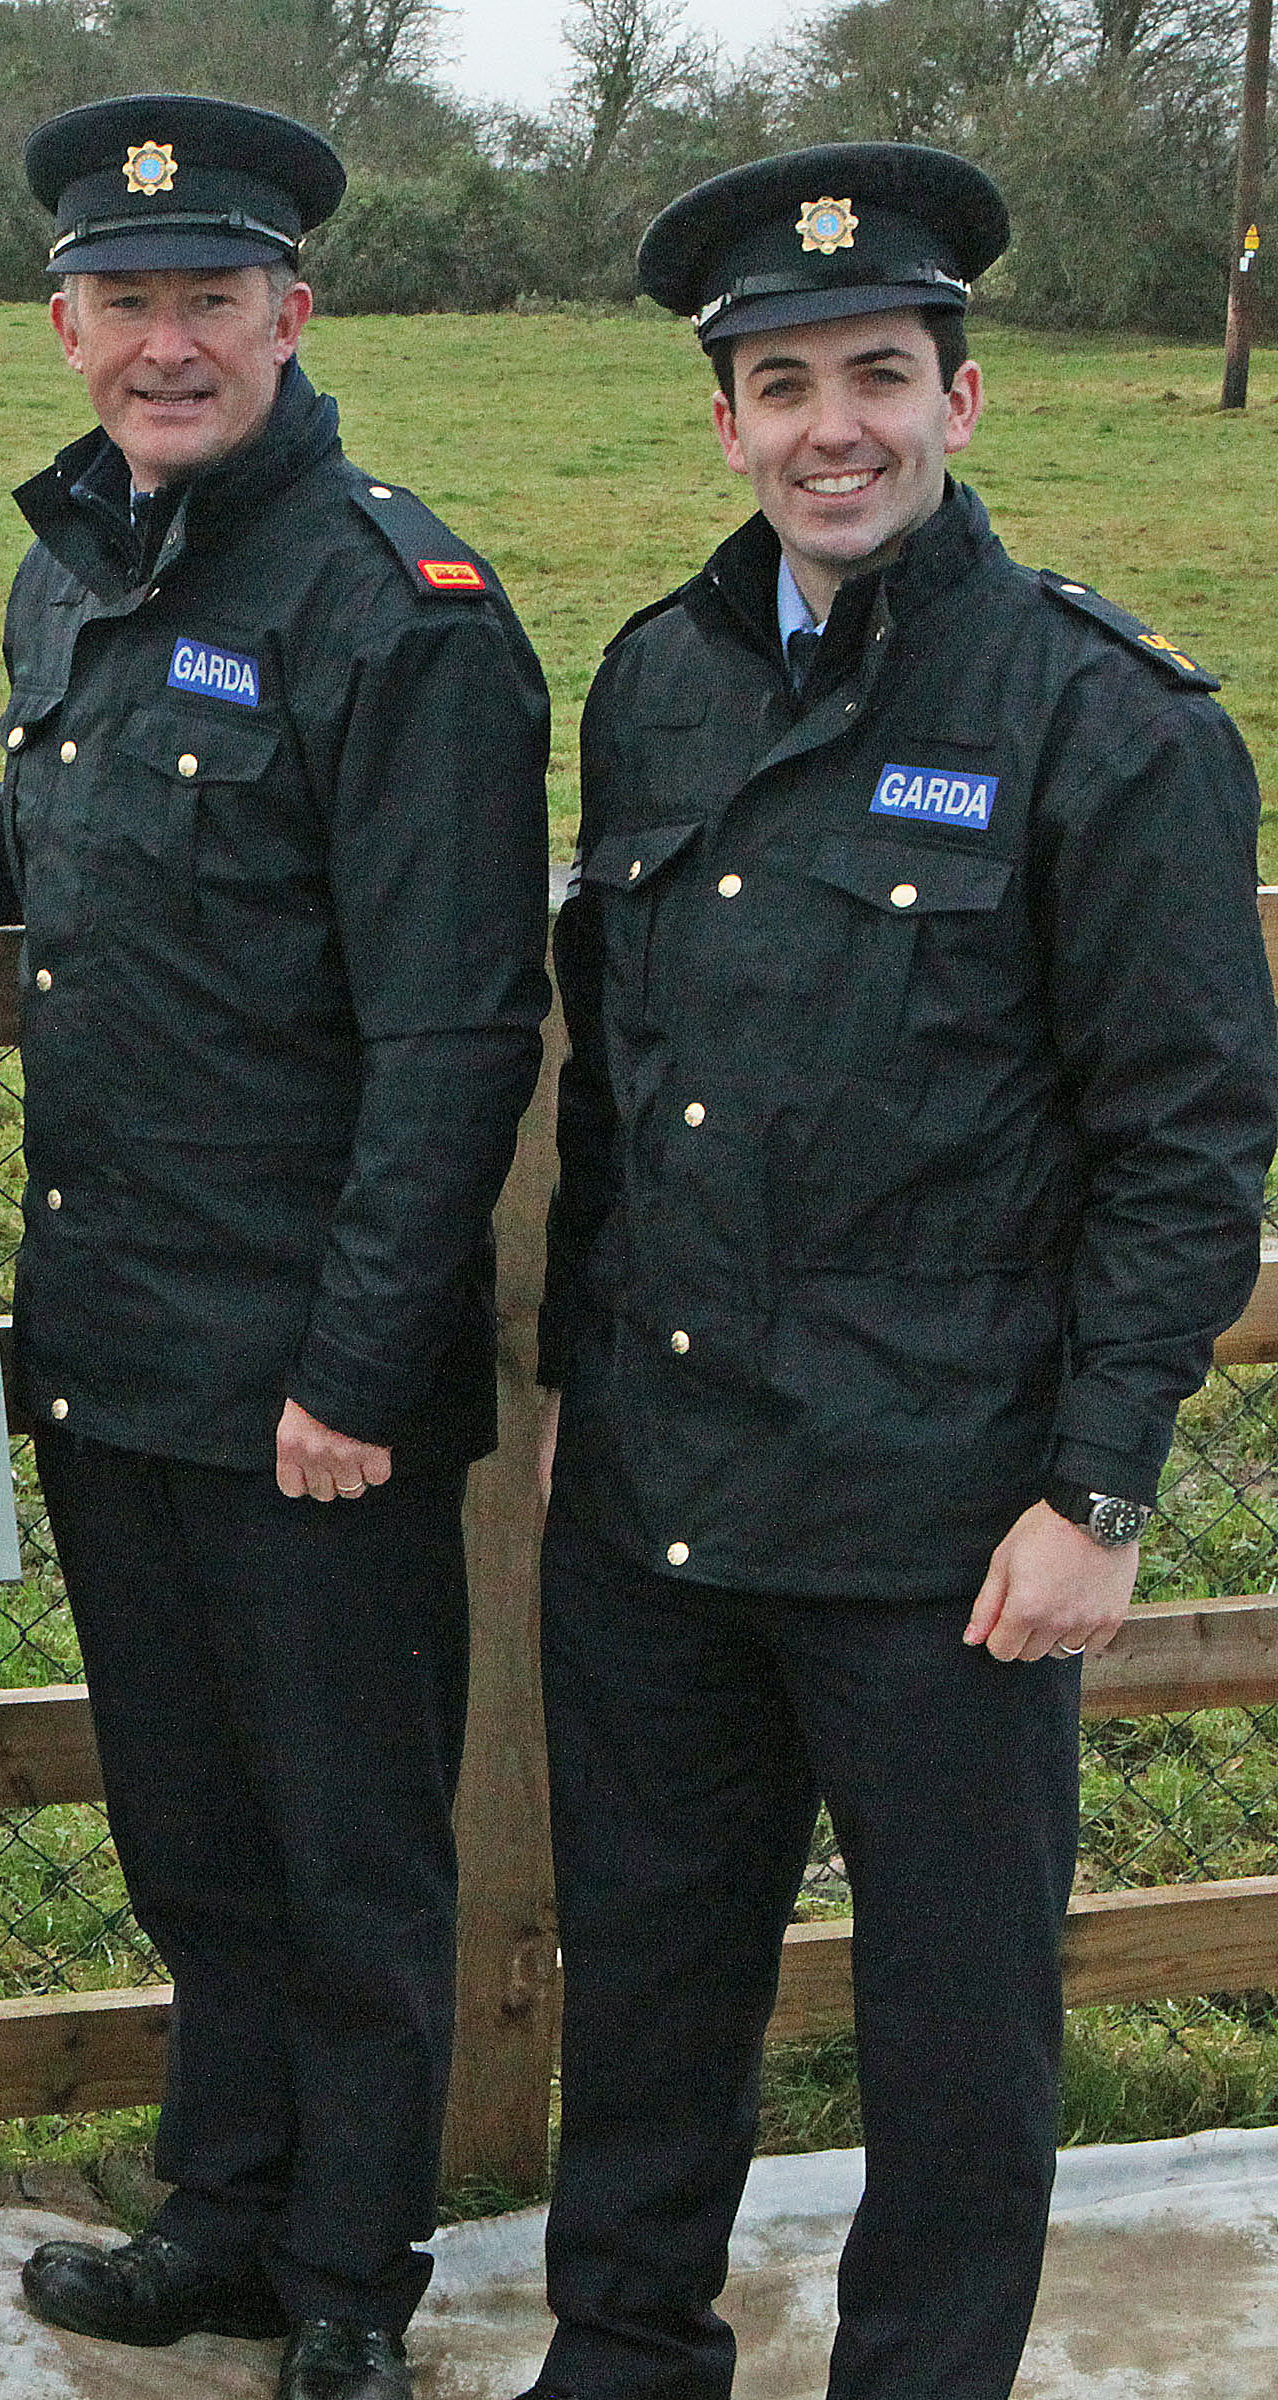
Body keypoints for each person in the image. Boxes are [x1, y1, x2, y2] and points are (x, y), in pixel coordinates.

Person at [0, 94, 552, 2400]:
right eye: (128, 302)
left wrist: (361, 1371)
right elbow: (58, 813)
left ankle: (355, 2286)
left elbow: (458, 1028)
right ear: (65, 319)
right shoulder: (88, 560)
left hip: (312, 1371)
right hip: (114, 1341)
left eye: (212, 300)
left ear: (296, 308)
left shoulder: (406, 615)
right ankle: (227, 2210)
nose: (167, 343)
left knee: (357, 1859)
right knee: (195, 1833)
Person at [522, 144, 1278, 2400]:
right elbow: (620, 1082)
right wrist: (577, 1374)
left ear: (968, 398)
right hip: (660, 1492)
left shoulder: (1105, 722)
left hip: (946, 1519)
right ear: (723, 423)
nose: (829, 425)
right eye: (781, 383)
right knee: (651, 1978)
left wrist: (1101, 1490)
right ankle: (622, 2357)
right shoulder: (656, 681)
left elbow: (1188, 1147)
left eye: (879, 373)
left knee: (958, 2025)